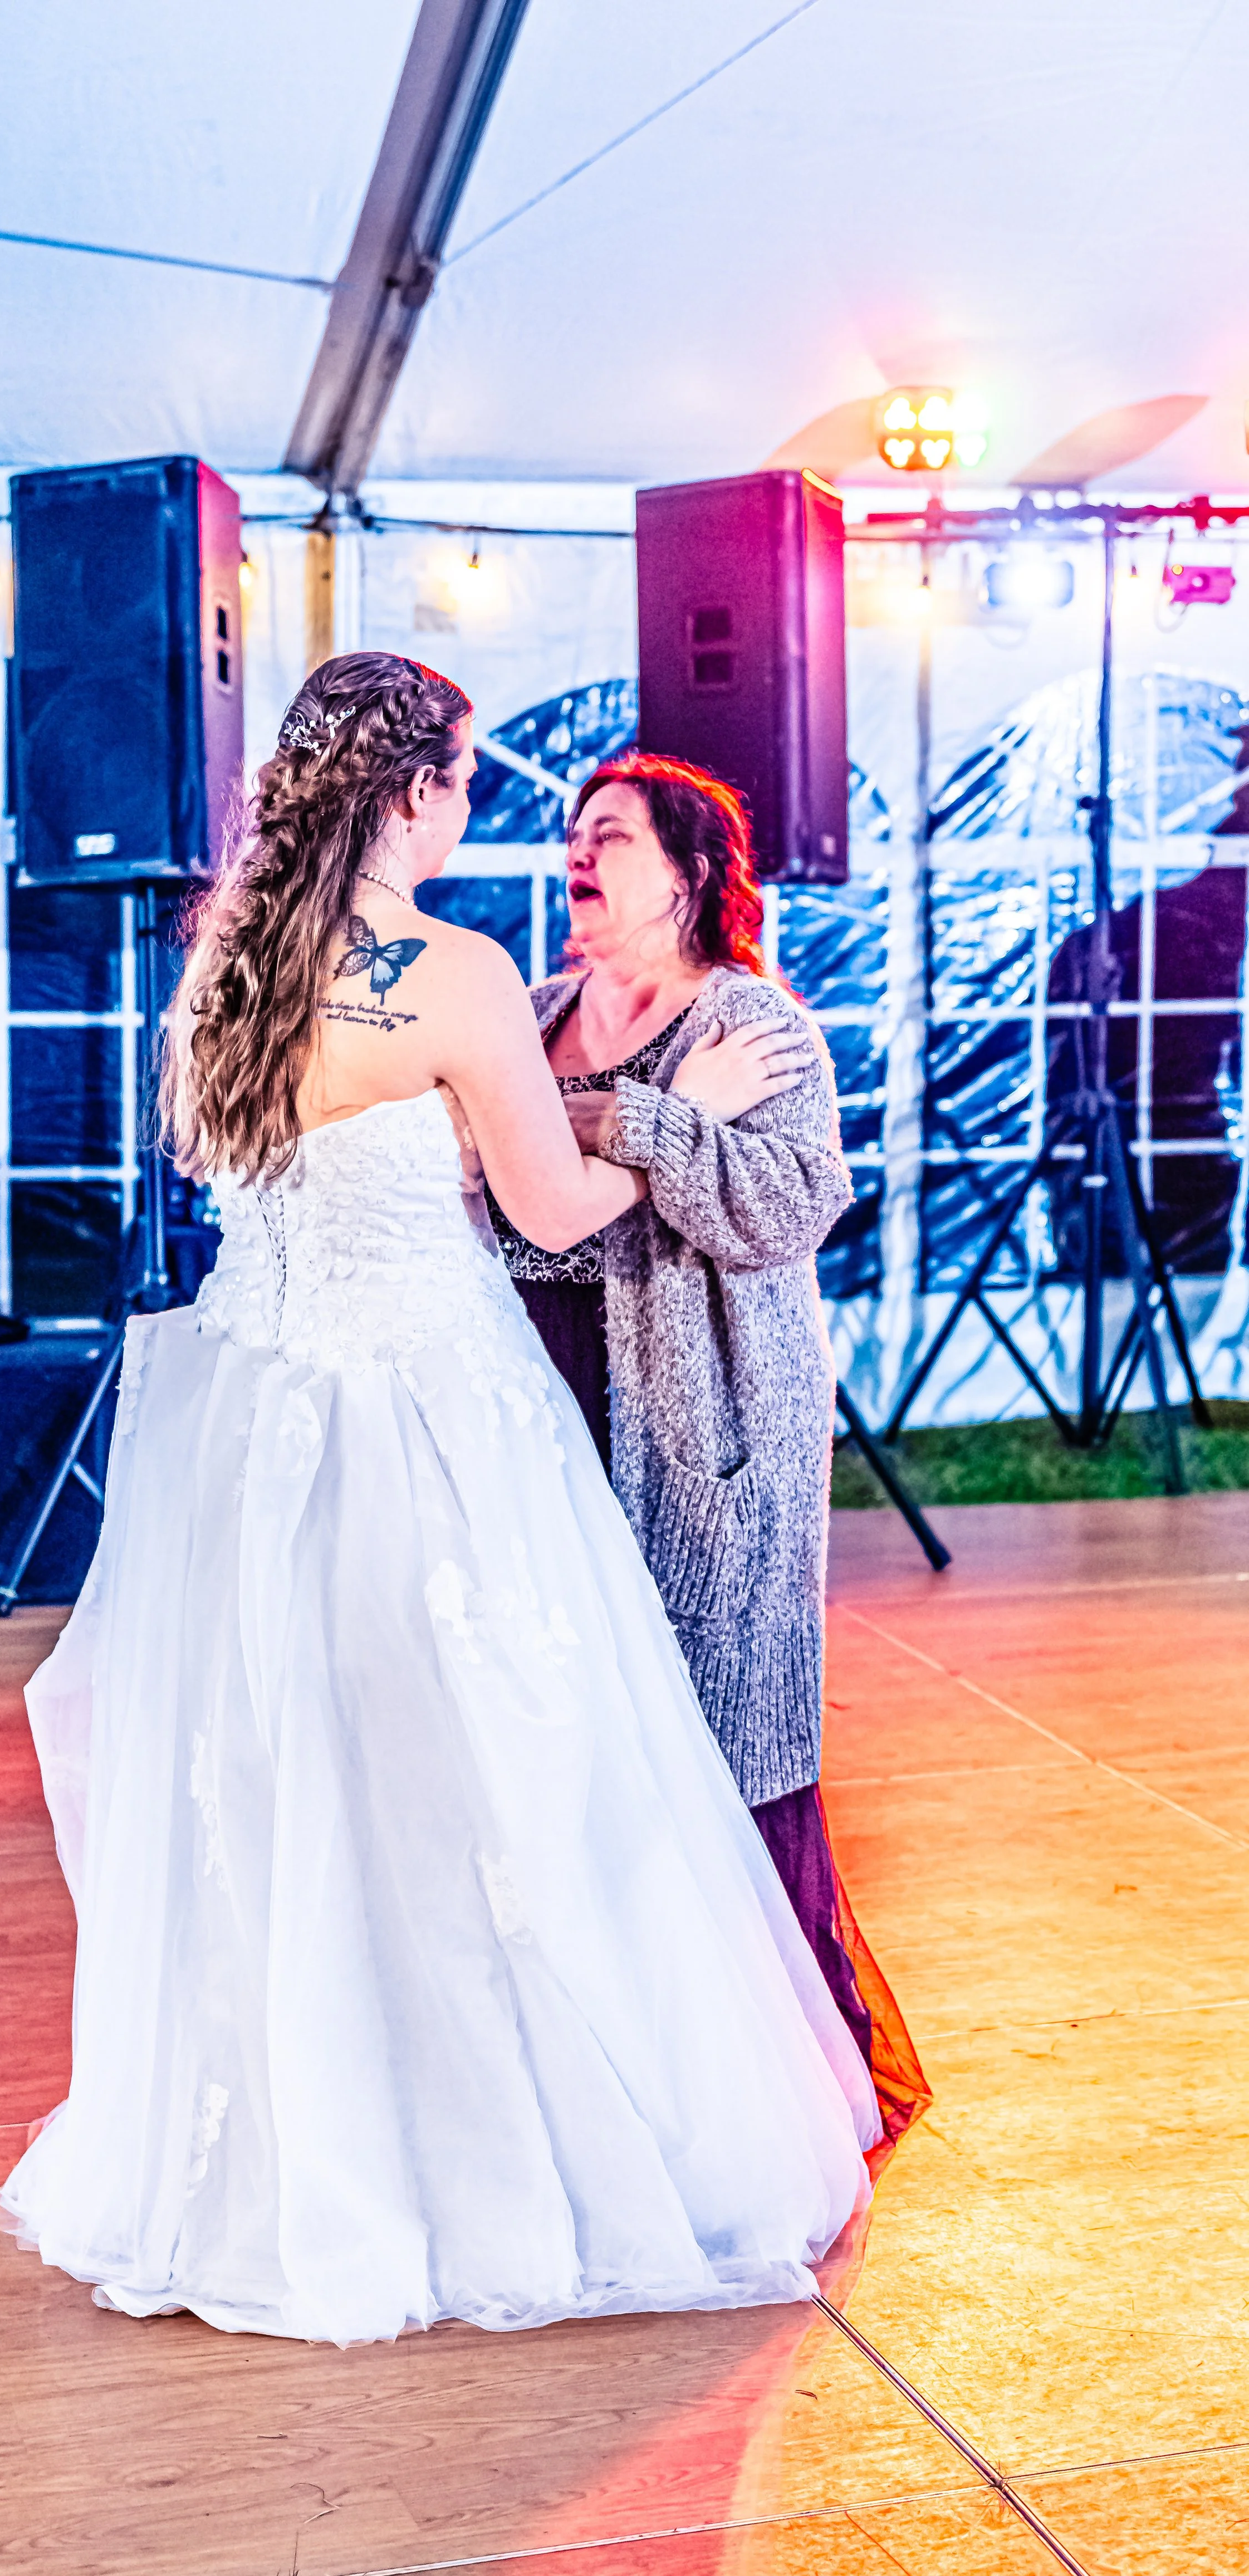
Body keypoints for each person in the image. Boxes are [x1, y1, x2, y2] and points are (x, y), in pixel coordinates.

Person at [0, 653, 881, 2346]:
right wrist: (676, 1114)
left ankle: (298, 2161)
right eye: (468, 781)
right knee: (503, 1780)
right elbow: (548, 1213)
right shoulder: (457, 976)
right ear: (409, 793)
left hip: (258, 1424)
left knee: (289, 1785)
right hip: (433, 1421)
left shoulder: (226, 967)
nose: (484, 815)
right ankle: (507, 2160)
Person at [491, 754, 927, 2142]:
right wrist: (653, 1127)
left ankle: (760, 2090)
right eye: (570, 833)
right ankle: (605, 2072)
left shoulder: (754, 1023)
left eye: (605, 835)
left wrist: (628, 1120)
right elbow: (498, 1192)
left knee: (715, 1721)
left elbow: (795, 1199)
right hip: (542, 1396)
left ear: (684, 872)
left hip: (704, 1417)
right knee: (573, 1722)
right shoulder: (536, 1008)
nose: (575, 850)